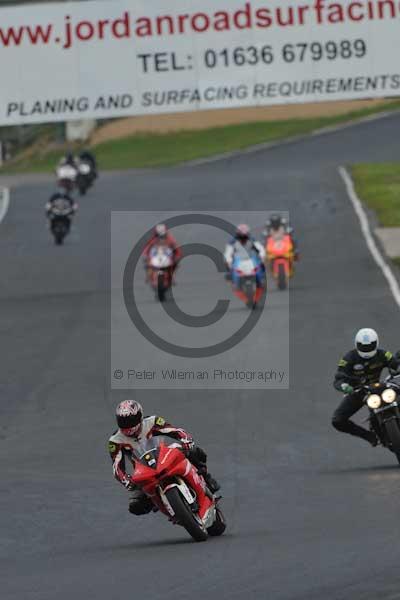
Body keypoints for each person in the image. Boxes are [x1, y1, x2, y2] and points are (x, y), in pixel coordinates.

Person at [108, 400, 220, 515]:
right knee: (135, 506)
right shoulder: (115, 441)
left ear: (139, 416)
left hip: (165, 455)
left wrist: (186, 439)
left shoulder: (152, 421)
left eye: (130, 420)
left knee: (194, 451)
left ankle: (206, 478)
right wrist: (126, 481)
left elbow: (173, 430)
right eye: (123, 421)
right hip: (144, 470)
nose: (127, 425)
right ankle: (159, 503)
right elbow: (117, 467)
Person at [332, 328, 400, 446]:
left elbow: (395, 363)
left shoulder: (383, 354)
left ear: (376, 343)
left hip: (380, 388)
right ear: (357, 344)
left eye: (370, 346)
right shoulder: (349, 358)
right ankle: (369, 436)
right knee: (337, 420)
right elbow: (339, 377)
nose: (367, 349)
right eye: (363, 346)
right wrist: (344, 386)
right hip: (357, 391)